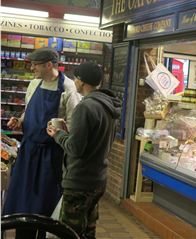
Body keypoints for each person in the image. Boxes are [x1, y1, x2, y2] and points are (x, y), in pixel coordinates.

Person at [3, 48, 82, 238]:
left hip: (51, 156)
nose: (31, 68)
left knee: (45, 206)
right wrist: (20, 121)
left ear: (49, 65)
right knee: (24, 203)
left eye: (35, 65)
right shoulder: (33, 84)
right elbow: (28, 110)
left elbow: (74, 123)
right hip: (28, 153)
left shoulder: (68, 88)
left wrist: (59, 131)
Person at [46, 62, 121, 239]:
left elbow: (75, 148)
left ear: (81, 81)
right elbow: (93, 140)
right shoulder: (108, 107)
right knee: (88, 231)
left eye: (75, 78)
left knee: (69, 232)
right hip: (98, 179)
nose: (74, 82)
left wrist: (57, 135)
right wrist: (68, 133)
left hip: (79, 181)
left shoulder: (85, 107)